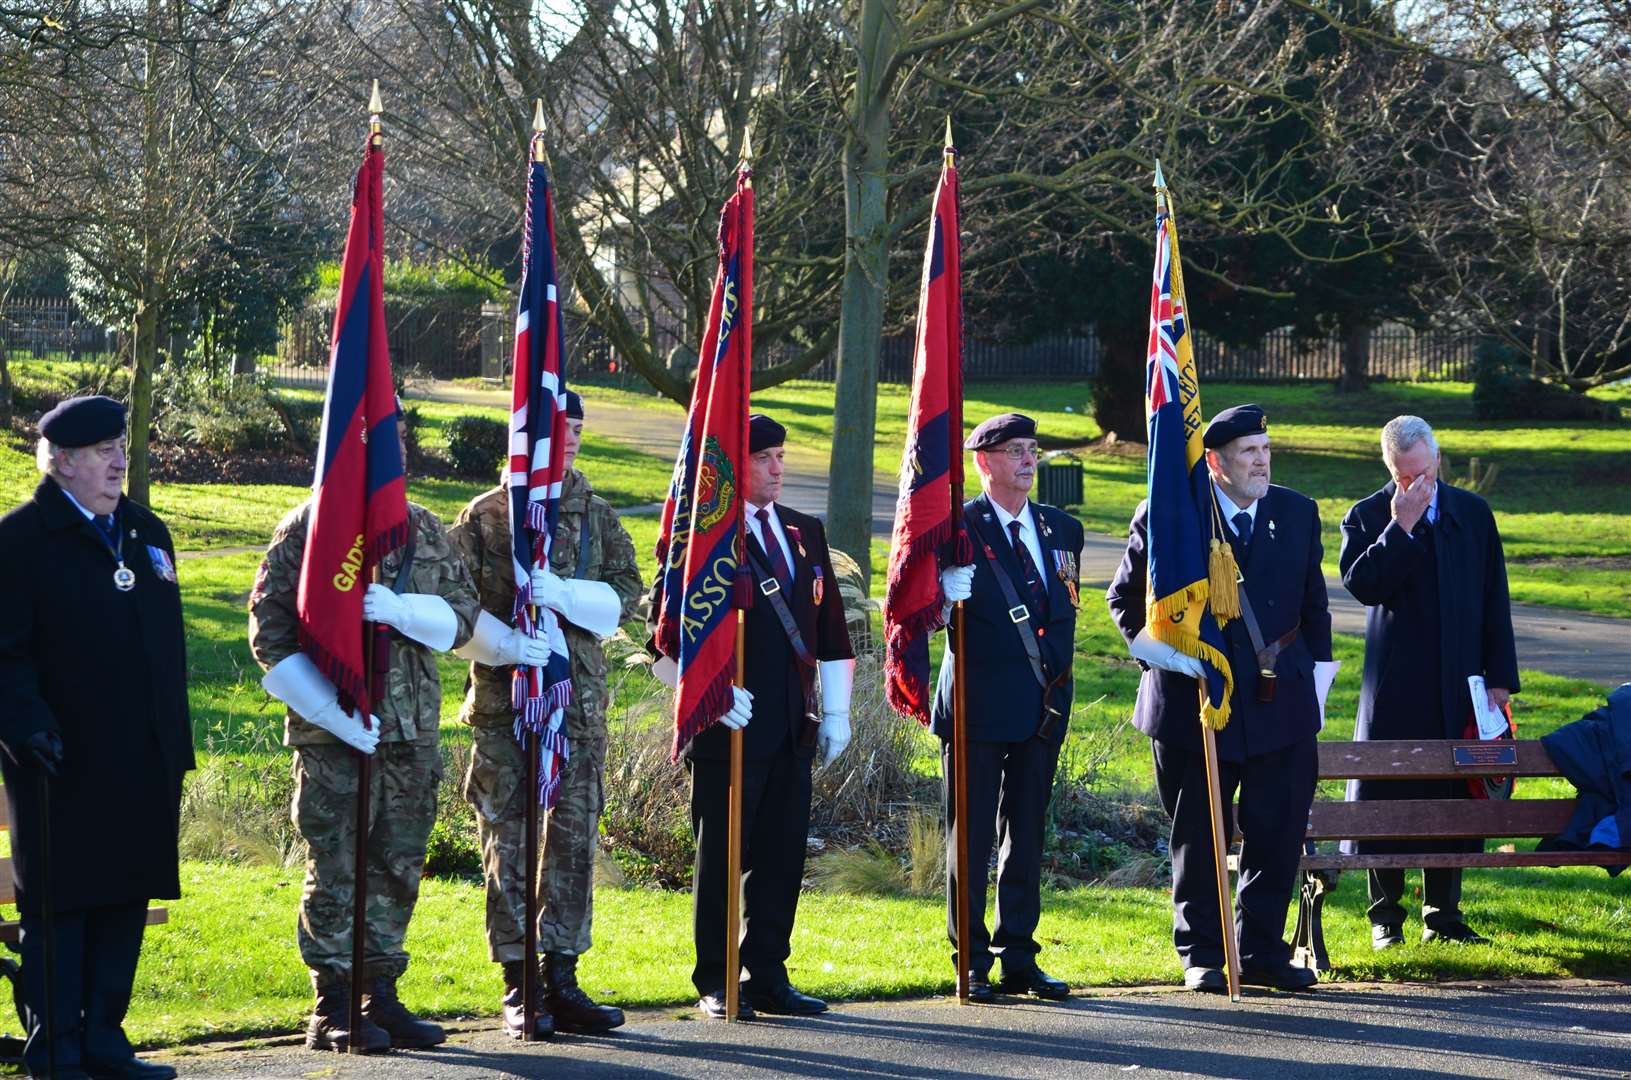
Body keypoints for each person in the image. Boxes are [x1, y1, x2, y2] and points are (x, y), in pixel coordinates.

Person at [248, 412, 481, 1054]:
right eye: (378, 441)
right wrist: (331, 712)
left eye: (399, 441)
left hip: (410, 731)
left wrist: (406, 610)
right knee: (338, 866)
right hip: (334, 734)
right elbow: (269, 634)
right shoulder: (308, 528)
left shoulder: (427, 528)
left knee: (399, 864)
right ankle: (331, 1004)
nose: (393, 452)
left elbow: (463, 621)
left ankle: (380, 992)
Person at [1107, 403, 1333, 993]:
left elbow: (1314, 608)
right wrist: (1168, 656)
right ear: (1214, 461)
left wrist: (1319, 682)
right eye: (1248, 454)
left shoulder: (1297, 511)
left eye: (1265, 450)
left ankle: (1260, 949)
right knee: (1200, 832)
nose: (1262, 463)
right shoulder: (1170, 513)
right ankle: (1203, 952)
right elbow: (1126, 603)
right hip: (1195, 702)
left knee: (1278, 831)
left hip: (1280, 702)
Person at [0, 396, 191, 1080]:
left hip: (142, 760)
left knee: (123, 900)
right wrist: (25, 725)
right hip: (59, 760)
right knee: (63, 906)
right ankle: (56, 1050)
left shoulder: (146, 532)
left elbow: (165, 650)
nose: (119, 462)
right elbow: (4, 653)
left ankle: (107, 1041)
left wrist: (175, 743)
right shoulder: (20, 540)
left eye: (121, 447)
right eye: (104, 451)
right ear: (63, 463)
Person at [448, 390, 643, 1038]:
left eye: (579, 434)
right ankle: (518, 984)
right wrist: (504, 643)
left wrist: (567, 596)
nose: (571, 445)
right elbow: (449, 609)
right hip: (506, 711)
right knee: (508, 844)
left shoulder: (594, 513)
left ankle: (561, 978)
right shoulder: (486, 518)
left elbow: (626, 596)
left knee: (570, 847)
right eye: (559, 433)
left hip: (575, 711)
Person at [646, 413, 854, 1020]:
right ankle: (715, 976)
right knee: (722, 860)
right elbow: (663, 643)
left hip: (791, 725)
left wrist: (835, 713)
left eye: (782, 456)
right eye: (764, 458)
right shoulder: (704, 538)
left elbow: (830, 632)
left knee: (782, 855)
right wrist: (705, 696)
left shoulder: (803, 532)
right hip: (727, 727)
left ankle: (768, 971)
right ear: (735, 467)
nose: (778, 467)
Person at [1339, 414, 1519, 948]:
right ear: (1388, 467)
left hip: (1463, 683)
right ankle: (1384, 917)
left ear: (1437, 458)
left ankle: (1443, 916)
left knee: (1452, 795)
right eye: (1401, 476)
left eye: (1420, 473)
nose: (1413, 485)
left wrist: (1499, 678)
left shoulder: (1472, 513)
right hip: (1396, 686)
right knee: (1388, 799)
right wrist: (1403, 526)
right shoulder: (1369, 515)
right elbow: (1363, 585)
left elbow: (1495, 599)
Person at [932, 412, 1083, 1003]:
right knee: (968, 838)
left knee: (1026, 835)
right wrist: (943, 598)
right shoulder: (955, 529)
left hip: (1043, 707)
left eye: (1033, 449)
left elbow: (1064, 614)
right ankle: (969, 957)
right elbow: (914, 611)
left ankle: (1018, 954)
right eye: (1015, 450)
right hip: (977, 703)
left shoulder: (1060, 528)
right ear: (983, 461)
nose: (1029, 460)